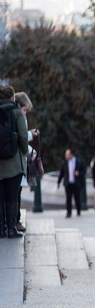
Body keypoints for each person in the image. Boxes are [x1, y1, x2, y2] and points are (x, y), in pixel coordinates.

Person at [0, 85, 28, 238]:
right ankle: (11, 228)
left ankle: (0, 228)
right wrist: (23, 151)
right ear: (12, 97)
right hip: (13, 164)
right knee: (12, 196)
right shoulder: (17, 113)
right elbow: (23, 137)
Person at [13, 92, 38, 232]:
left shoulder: (19, 117)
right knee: (15, 194)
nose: (25, 114)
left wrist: (31, 151)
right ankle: (15, 221)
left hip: (19, 162)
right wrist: (30, 135)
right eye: (24, 110)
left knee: (17, 193)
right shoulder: (16, 118)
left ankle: (15, 220)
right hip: (16, 163)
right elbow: (20, 138)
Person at [57, 149, 86, 218]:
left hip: (76, 183)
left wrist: (79, 173)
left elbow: (84, 171)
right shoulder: (64, 163)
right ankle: (69, 212)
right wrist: (58, 182)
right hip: (68, 183)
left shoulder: (79, 162)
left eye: (67, 154)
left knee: (77, 198)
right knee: (68, 199)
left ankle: (78, 210)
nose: (66, 156)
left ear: (71, 155)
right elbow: (62, 173)